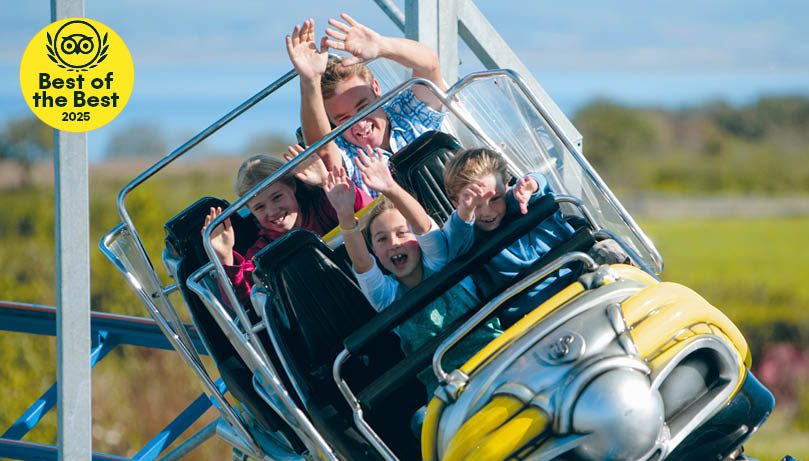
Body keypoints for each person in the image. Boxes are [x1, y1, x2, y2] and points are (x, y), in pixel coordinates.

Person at [322, 147, 499, 391]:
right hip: (447, 384)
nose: (394, 243)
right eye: (382, 239)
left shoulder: (440, 261)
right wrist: (344, 213)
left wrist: (390, 188)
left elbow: (423, 226)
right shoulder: (386, 298)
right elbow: (362, 263)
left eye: (402, 233)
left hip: (495, 354)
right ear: (374, 250)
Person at [442, 147, 628, 322]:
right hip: (533, 311)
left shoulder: (518, 201)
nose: (487, 211)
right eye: (475, 204)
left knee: (610, 248)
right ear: (455, 203)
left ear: (506, 187)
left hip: (580, 275)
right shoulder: (466, 233)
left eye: (495, 198)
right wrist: (465, 212)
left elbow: (538, 182)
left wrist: (531, 186)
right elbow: (456, 235)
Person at [285, 14, 447, 196]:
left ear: (376, 88)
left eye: (363, 108)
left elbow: (430, 66)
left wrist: (382, 46)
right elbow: (322, 150)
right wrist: (310, 80)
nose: (360, 125)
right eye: (344, 119)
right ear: (331, 121)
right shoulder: (345, 152)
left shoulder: (407, 111)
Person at [203, 147, 372, 304]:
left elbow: (367, 215)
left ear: (292, 186)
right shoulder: (261, 252)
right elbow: (243, 300)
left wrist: (325, 182)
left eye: (277, 197)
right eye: (259, 207)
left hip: (366, 289)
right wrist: (224, 257)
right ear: (250, 211)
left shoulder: (324, 206)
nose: (272, 211)